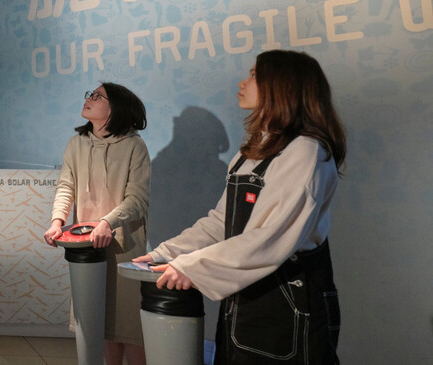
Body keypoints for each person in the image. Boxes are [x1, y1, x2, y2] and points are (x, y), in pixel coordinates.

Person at [133, 50, 345, 364]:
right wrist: (168, 251)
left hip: (289, 299)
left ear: (282, 86)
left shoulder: (305, 151)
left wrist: (191, 266)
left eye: (254, 75)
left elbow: (267, 239)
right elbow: (222, 220)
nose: (242, 82)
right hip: (247, 298)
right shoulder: (254, 150)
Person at [44, 83, 150, 365]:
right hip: (87, 248)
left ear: (115, 108)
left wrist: (107, 222)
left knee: (129, 327)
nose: (89, 99)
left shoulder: (134, 146)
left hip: (125, 248)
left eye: (97, 96)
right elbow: (66, 186)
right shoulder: (76, 143)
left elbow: (137, 199)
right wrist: (57, 222)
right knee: (98, 324)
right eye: (89, 94)